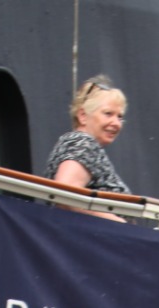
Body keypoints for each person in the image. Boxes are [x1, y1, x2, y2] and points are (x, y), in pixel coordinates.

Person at [45, 77, 131, 222]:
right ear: (83, 116)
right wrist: (119, 223)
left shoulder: (77, 143)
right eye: (108, 114)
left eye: (120, 116)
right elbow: (65, 192)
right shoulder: (83, 143)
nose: (116, 123)